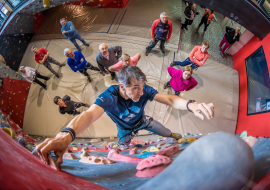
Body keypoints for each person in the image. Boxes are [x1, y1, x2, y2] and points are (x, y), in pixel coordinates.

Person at [36, 66, 214, 167]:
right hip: (124, 129)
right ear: (122, 87)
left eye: (142, 87)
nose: (141, 92)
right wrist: (65, 136)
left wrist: (191, 104)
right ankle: (125, 141)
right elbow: (89, 115)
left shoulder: (144, 91)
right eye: (136, 88)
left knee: (166, 131)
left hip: (143, 121)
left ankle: (172, 135)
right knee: (124, 145)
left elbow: (168, 98)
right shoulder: (110, 96)